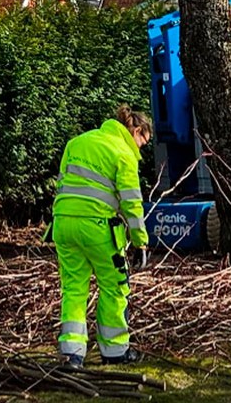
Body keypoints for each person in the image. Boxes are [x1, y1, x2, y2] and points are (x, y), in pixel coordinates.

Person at [52, 104, 153, 370]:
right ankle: (116, 351)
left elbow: (63, 184)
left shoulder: (77, 143)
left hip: (62, 224)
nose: (142, 149)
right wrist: (140, 241)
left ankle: (72, 354)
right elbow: (132, 203)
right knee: (114, 287)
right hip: (96, 228)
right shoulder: (123, 153)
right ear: (137, 130)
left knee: (74, 288)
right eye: (144, 142)